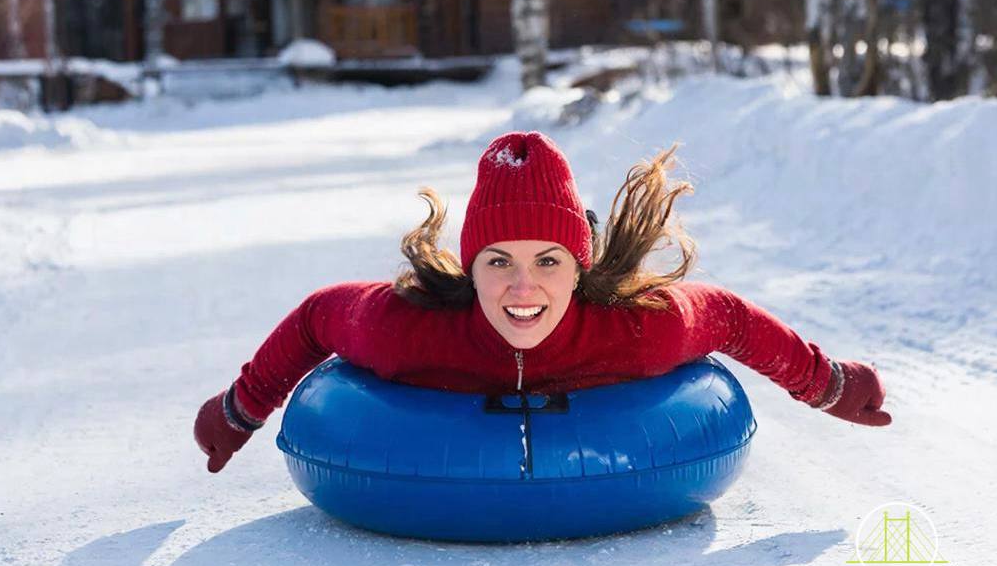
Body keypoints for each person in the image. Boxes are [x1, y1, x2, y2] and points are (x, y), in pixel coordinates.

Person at [195, 131, 890, 474]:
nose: (521, 288)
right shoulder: (410, 332)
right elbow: (320, 314)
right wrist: (239, 408)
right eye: (497, 262)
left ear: (576, 270)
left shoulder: (634, 331)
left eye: (547, 262)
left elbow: (729, 319)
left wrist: (827, 383)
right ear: (470, 269)